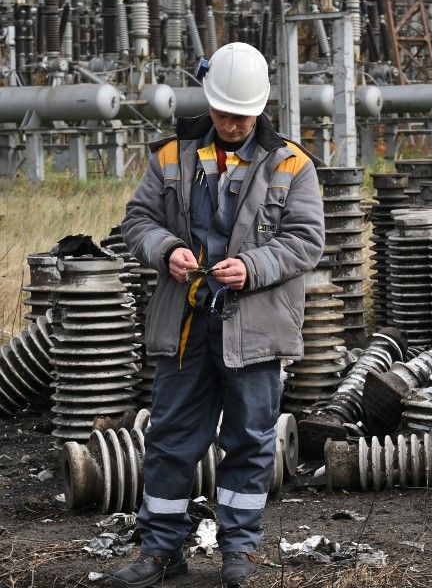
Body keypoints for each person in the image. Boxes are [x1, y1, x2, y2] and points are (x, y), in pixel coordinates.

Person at [115, 42, 325, 588]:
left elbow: (305, 241)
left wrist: (251, 267)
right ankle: (161, 551)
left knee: (250, 441)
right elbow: (136, 220)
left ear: (260, 111)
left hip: (253, 329)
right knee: (170, 439)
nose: (231, 123)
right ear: (209, 103)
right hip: (185, 327)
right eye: (223, 112)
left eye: (242, 114)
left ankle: (239, 553)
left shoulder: (292, 164)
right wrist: (165, 250)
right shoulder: (170, 156)